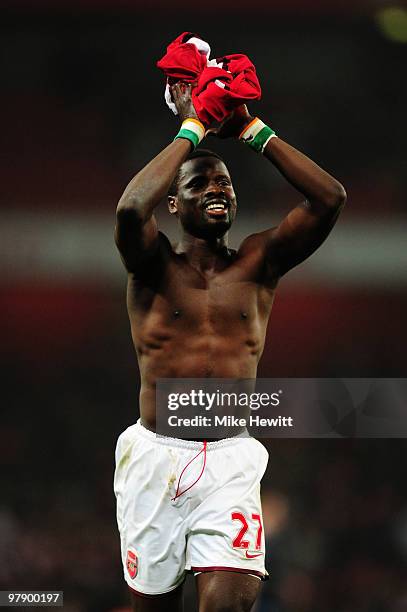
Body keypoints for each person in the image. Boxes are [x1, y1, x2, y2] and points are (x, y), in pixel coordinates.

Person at [113, 82, 346, 612]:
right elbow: (130, 210)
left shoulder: (259, 262)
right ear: (173, 203)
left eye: (225, 182)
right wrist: (191, 127)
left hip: (231, 462)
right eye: (200, 183)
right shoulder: (152, 265)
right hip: (156, 457)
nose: (218, 188)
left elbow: (329, 198)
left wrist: (249, 128)